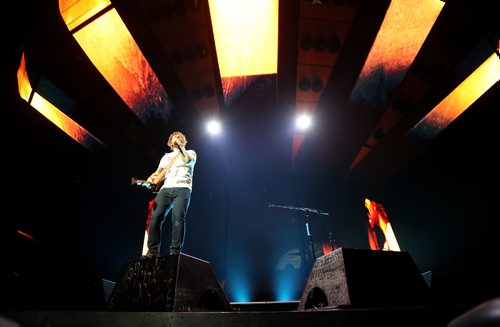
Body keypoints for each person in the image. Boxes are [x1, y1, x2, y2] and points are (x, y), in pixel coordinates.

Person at [142, 131, 196, 258]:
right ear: (170, 142)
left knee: (177, 219)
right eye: (174, 137)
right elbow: (158, 172)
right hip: (165, 189)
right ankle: (152, 252)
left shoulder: (191, 152)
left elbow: (187, 161)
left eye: (180, 137)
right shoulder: (165, 157)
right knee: (155, 218)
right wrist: (150, 179)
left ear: (184, 141)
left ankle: (175, 252)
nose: (177, 138)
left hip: (182, 188)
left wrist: (181, 147)